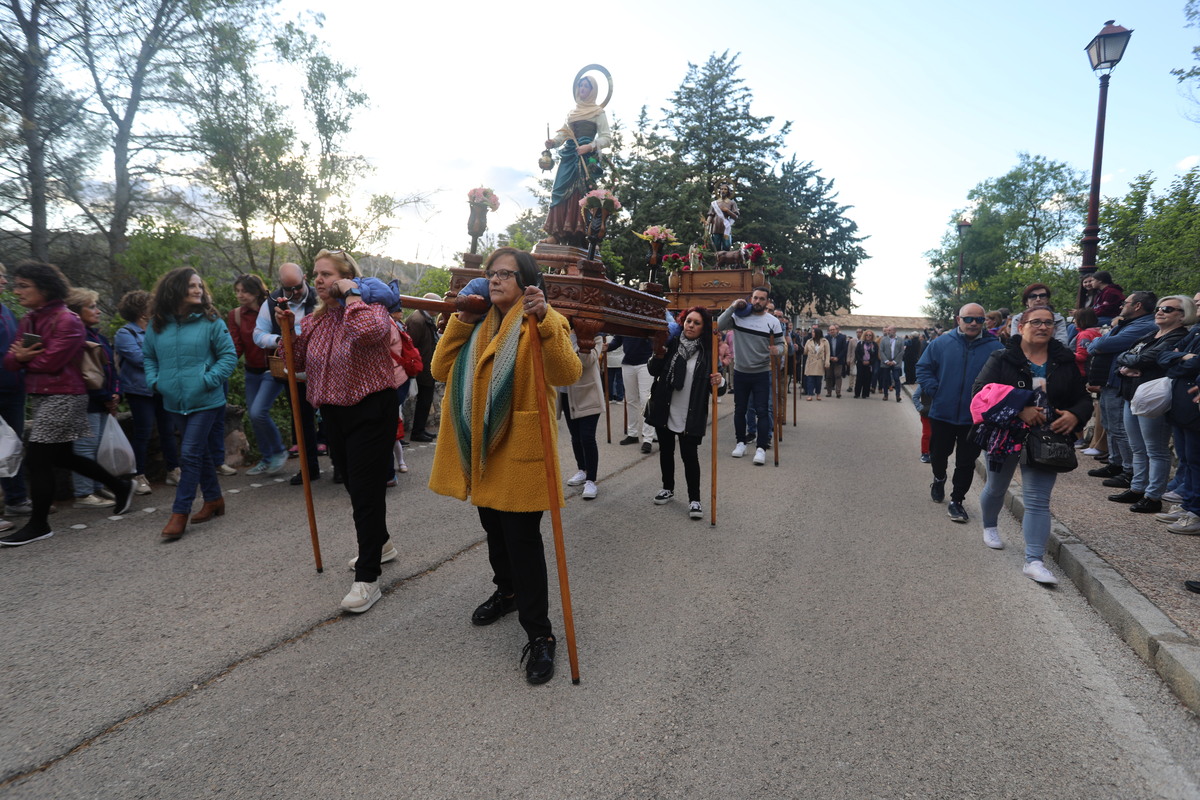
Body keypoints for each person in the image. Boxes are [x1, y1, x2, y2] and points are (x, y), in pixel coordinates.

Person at [429, 247, 581, 685]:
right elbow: (440, 369)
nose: (495, 280)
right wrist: (459, 320)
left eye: (507, 275)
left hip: (521, 452)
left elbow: (567, 373)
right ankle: (507, 590)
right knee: (493, 530)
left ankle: (540, 635)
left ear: (527, 282)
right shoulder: (474, 325)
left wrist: (549, 318)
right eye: (492, 273)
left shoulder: (543, 321)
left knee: (522, 541)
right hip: (481, 450)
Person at [281, 249, 402, 615]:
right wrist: (288, 329)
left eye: (327, 274)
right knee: (351, 482)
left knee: (365, 492)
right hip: (332, 413)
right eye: (316, 274)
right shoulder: (316, 320)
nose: (318, 280)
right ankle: (381, 544)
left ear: (347, 277)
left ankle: (368, 578)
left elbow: (368, 334)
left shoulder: (371, 309)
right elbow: (296, 363)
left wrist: (352, 296)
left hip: (370, 409)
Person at [0, 261, 134, 546]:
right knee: (61, 457)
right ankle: (121, 486)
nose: (17, 290)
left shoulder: (67, 320)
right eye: (16, 284)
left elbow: (51, 362)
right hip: (41, 395)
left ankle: (39, 525)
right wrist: (21, 358)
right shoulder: (29, 320)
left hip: (65, 396)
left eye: (24, 285)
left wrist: (24, 357)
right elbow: (10, 362)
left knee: (37, 458)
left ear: (45, 287)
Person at [974, 306, 1091, 584]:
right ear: (1021, 326)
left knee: (1038, 500)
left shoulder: (1064, 361)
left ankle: (1034, 561)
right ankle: (990, 526)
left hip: (1047, 437)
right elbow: (980, 391)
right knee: (996, 487)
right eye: (1036, 322)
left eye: (1048, 323)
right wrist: (1019, 408)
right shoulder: (1002, 357)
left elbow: (1082, 398)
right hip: (1005, 434)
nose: (1042, 327)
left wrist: (1076, 414)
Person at [145, 268, 237, 540]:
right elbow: (149, 357)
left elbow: (228, 356)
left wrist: (208, 380)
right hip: (174, 401)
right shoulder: (157, 324)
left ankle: (179, 512)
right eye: (191, 286)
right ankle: (214, 500)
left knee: (189, 453)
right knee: (200, 452)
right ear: (174, 290)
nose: (198, 290)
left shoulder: (211, 322)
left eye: (199, 285)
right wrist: (156, 382)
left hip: (207, 399)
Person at [915, 303, 1004, 523]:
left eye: (979, 320)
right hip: (942, 413)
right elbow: (923, 367)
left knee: (966, 461)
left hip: (974, 418)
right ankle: (939, 477)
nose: (974, 323)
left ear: (985, 322)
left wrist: (990, 401)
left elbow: (1003, 376)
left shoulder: (994, 347)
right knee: (938, 455)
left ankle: (957, 501)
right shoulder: (941, 343)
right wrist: (935, 390)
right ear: (958, 320)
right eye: (969, 319)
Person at [1109, 295, 1193, 513]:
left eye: (1167, 309)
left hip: (1154, 398)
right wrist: (1132, 363)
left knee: (1155, 449)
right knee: (1137, 447)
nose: (1160, 311)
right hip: (1133, 394)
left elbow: (1145, 359)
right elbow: (1124, 355)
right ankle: (1137, 488)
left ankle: (1153, 496)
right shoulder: (1151, 333)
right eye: (1158, 308)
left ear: (1182, 316)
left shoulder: (1177, 337)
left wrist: (1135, 364)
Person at [646, 306, 724, 518]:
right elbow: (653, 370)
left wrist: (720, 380)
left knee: (690, 456)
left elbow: (719, 386)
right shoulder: (670, 343)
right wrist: (658, 352)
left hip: (691, 412)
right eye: (688, 321)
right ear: (683, 322)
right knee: (666, 451)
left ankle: (695, 500)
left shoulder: (708, 352)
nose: (691, 325)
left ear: (703, 328)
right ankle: (668, 488)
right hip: (665, 407)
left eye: (696, 323)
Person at [253, 263, 320, 484]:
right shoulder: (270, 302)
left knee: (331, 417)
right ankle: (309, 469)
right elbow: (258, 334)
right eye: (287, 288)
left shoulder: (321, 297)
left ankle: (340, 467)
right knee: (302, 421)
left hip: (323, 367)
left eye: (297, 287)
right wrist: (282, 340)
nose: (293, 293)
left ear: (306, 278)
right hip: (293, 370)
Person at [1085, 291, 1158, 490]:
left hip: (1120, 382)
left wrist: (1097, 344)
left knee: (1119, 427)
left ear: (1137, 306)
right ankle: (1115, 463)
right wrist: (1098, 344)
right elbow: (1098, 345)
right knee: (1109, 424)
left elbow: (1104, 343)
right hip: (1110, 381)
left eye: (1125, 303)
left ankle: (1129, 471)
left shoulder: (1144, 325)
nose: (1120, 306)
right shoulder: (1127, 324)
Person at [115, 290, 180, 494]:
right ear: (142, 311)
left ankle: (173, 470)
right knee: (143, 433)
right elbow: (140, 359)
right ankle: (138, 475)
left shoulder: (158, 330)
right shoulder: (125, 334)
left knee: (168, 431)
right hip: (139, 391)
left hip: (162, 388)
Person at [66, 288, 120, 508]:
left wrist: (115, 392)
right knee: (85, 446)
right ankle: (83, 493)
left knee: (97, 446)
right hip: (86, 399)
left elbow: (111, 369)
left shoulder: (99, 336)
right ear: (77, 312)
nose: (97, 311)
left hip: (102, 399)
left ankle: (96, 486)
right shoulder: (76, 337)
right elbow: (84, 373)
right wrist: (107, 395)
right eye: (91, 307)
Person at [542, 75, 611, 246]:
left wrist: (589, 147)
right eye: (580, 86)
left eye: (586, 86)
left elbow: (606, 138)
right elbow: (564, 134)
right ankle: (556, 235)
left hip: (586, 159)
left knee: (580, 193)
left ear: (593, 90)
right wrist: (554, 142)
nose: (582, 89)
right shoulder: (572, 113)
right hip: (569, 155)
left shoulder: (598, 112)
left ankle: (578, 234)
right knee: (558, 190)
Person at [717, 287, 783, 466]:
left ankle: (761, 448)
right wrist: (732, 306)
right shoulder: (739, 316)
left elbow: (780, 343)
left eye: (762, 299)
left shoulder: (772, 322)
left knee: (762, 411)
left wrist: (778, 350)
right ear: (750, 299)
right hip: (740, 371)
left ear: (767, 302)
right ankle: (741, 443)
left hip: (762, 371)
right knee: (740, 409)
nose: (758, 302)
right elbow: (719, 325)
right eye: (755, 298)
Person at [227, 274, 283, 476]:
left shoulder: (270, 309)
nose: (240, 295)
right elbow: (236, 346)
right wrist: (225, 366)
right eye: (237, 291)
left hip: (273, 369)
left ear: (256, 291)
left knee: (258, 411)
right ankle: (267, 458)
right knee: (254, 415)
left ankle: (278, 452)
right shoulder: (235, 315)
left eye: (244, 291)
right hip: (251, 371)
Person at [0, 263, 29, 526]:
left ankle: (16, 500)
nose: (5, 282)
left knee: (13, 446)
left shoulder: (7, 311)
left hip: (13, 390)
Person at [559, 328, 603, 500]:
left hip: (587, 394)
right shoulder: (562, 332)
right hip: (566, 393)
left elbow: (588, 361)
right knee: (575, 437)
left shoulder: (596, 337)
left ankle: (591, 480)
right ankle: (582, 469)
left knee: (587, 437)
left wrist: (584, 340)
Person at [606, 333, 655, 453]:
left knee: (645, 400)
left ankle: (648, 438)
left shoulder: (646, 316)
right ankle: (632, 433)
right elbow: (617, 340)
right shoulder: (625, 319)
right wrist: (607, 346)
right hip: (628, 363)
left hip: (646, 362)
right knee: (631, 400)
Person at [405, 292, 442, 443]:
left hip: (426, 367)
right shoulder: (417, 320)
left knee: (425, 401)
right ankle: (417, 432)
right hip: (420, 368)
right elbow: (410, 345)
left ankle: (420, 430)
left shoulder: (425, 319)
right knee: (423, 400)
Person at [1071, 307, 1106, 456]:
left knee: (1075, 405)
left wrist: (1064, 354)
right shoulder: (1095, 332)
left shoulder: (1085, 334)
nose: (1073, 321)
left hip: (1081, 374)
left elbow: (1082, 356)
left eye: (1075, 318)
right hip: (1089, 374)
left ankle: (1080, 439)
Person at [706, 183, 740, 253]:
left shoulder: (731, 203)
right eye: (721, 189)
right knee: (716, 246)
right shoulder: (714, 203)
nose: (723, 191)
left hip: (726, 227)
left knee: (727, 246)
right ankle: (717, 261)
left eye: (725, 189)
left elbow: (735, 216)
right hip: (716, 227)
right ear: (719, 191)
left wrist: (727, 211)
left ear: (728, 191)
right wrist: (707, 222)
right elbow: (711, 215)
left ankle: (726, 262)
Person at [878, 324, 904, 401]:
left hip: (896, 363)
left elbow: (901, 351)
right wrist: (886, 361)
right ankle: (885, 395)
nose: (888, 332)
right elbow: (881, 351)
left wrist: (894, 361)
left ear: (895, 331)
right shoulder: (883, 340)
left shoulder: (900, 340)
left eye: (890, 330)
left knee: (896, 378)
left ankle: (898, 395)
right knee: (885, 379)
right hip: (886, 363)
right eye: (887, 330)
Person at [802, 327, 829, 400]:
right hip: (810, 362)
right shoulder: (809, 341)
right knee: (810, 380)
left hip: (819, 362)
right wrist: (799, 348)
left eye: (813, 332)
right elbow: (805, 351)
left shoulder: (825, 341)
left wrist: (827, 362)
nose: (812, 333)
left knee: (818, 380)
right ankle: (810, 394)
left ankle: (818, 394)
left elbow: (828, 352)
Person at [853, 330, 879, 399]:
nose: (868, 336)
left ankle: (865, 393)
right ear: (864, 335)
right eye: (867, 335)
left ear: (872, 336)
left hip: (869, 364)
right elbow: (857, 353)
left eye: (870, 335)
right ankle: (857, 393)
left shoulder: (874, 345)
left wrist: (870, 362)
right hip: (861, 363)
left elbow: (875, 355)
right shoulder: (860, 343)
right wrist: (862, 361)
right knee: (859, 378)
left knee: (867, 379)